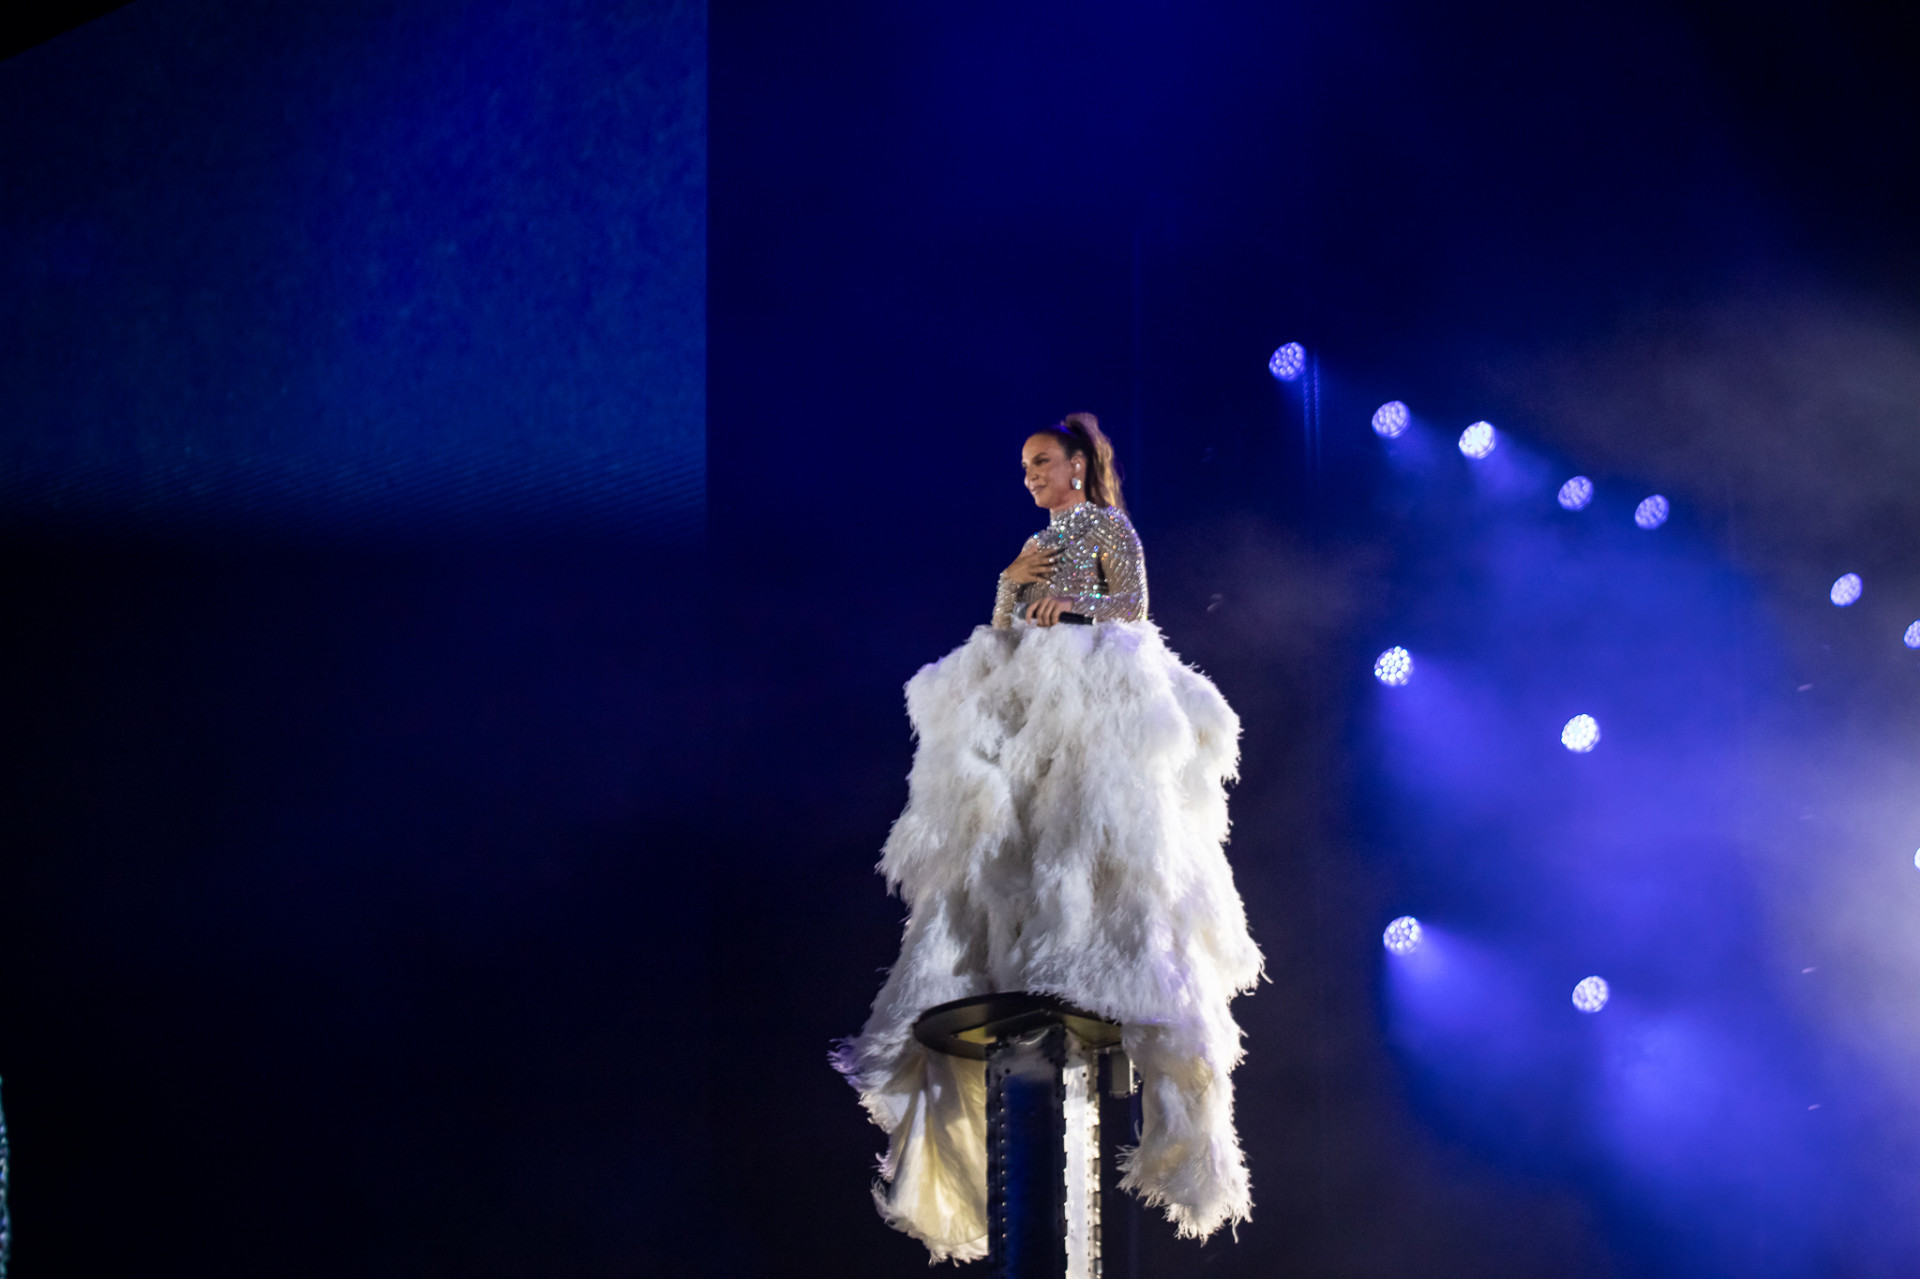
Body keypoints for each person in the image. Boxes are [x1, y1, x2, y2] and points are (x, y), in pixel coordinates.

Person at [832, 413, 1263, 1262]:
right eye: (1023, 467)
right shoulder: (1036, 540)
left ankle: (1082, 951)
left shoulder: (1105, 526)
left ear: (1075, 464)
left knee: (1085, 825)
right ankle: (1021, 946)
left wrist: (1077, 601)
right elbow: (1010, 625)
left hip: (1091, 692)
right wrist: (1010, 583)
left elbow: (1134, 604)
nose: (1030, 477)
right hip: (1034, 689)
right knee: (1004, 820)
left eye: (1041, 462)